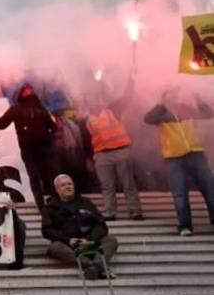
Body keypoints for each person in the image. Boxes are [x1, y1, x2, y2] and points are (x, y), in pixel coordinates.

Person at [143, 88, 214, 236]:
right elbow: (147, 118)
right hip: (173, 158)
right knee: (180, 194)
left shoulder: (185, 108)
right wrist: (161, 104)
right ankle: (185, 226)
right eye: (170, 93)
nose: (174, 95)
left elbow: (208, 114)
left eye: (175, 92)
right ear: (164, 96)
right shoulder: (160, 113)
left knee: (210, 189)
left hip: (195, 153)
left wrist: (199, 101)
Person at [0, 83, 56, 211]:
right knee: (34, 176)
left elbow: (52, 126)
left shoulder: (41, 108)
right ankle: (41, 206)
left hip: (44, 147)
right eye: (26, 91)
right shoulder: (16, 109)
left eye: (31, 90)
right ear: (21, 94)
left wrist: (48, 137)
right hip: (28, 149)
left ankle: (55, 200)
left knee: (50, 174)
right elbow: (1, 124)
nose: (29, 93)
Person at [83, 82, 144, 221]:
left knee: (128, 183)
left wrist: (130, 79)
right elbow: (86, 140)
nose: (96, 100)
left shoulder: (113, 109)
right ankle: (110, 212)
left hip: (120, 151)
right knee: (107, 185)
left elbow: (126, 97)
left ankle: (135, 211)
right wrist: (89, 158)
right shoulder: (87, 118)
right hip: (101, 154)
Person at [41, 174, 118, 280]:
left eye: (70, 184)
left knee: (111, 240)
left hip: (89, 242)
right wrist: (68, 240)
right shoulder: (50, 207)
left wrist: (89, 239)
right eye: (63, 185)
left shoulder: (86, 202)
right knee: (54, 247)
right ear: (57, 189)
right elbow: (46, 230)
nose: (68, 187)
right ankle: (94, 266)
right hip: (69, 245)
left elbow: (101, 224)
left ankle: (94, 268)